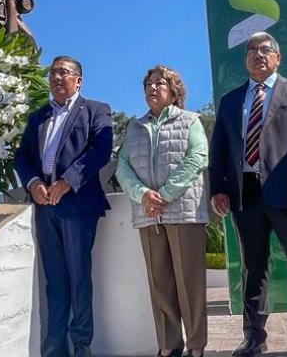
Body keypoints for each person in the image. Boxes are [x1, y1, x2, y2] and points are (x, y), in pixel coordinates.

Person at [209, 32, 287, 357]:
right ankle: (254, 337)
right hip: (244, 194)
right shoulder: (231, 101)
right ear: (246, 60)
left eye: (266, 50)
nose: (258, 54)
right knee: (253, 268)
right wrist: (218, 188)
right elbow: (219, 148)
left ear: (278, 58)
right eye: (252, 50)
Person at [14, 56, 113, 357]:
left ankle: (82, 346)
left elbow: (101, 150)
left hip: (78, 206)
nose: (56, 77)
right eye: (53, 72)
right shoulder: (38, 117)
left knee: (79, 278)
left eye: (63, 72)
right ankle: (55, 349)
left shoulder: (96, 110)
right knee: (55, 282)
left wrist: (67, 182)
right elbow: (22, 157)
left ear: (78, 80)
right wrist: (33, 183)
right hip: (45, 208)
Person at [115, 65, 209, 357]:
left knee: (189, 282)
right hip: (149, 215)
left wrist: (165, 194)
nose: (152, 89)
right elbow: (123, 167)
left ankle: (195, 344)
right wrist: (143, 194)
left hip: (184, 212)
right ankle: (169, 343)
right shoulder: (134, 127)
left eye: (159, 83)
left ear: (173, 90)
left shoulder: (190, 120)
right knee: (160, 283)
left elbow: (197, 157)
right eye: (148, 85)